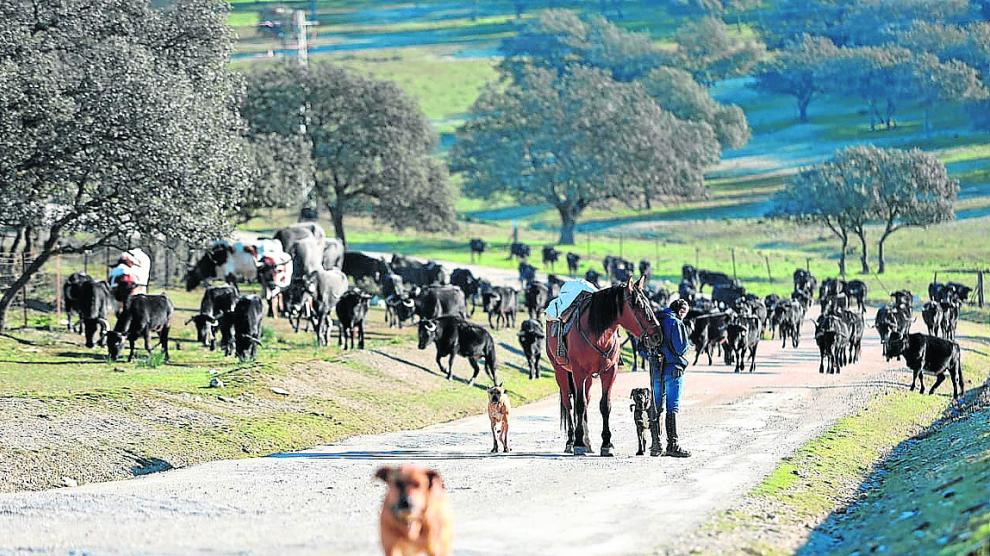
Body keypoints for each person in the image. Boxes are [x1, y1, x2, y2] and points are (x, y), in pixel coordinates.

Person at [644, 298, 691, 457]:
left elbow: (643, 346)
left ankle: (656, 445)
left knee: (657, 405)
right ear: (681, 311)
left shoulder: (656, 320)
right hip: (673, 368)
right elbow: (680, 348)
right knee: (672, 406)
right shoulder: (676, 323)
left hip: (656, 369)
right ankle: (673, 445)